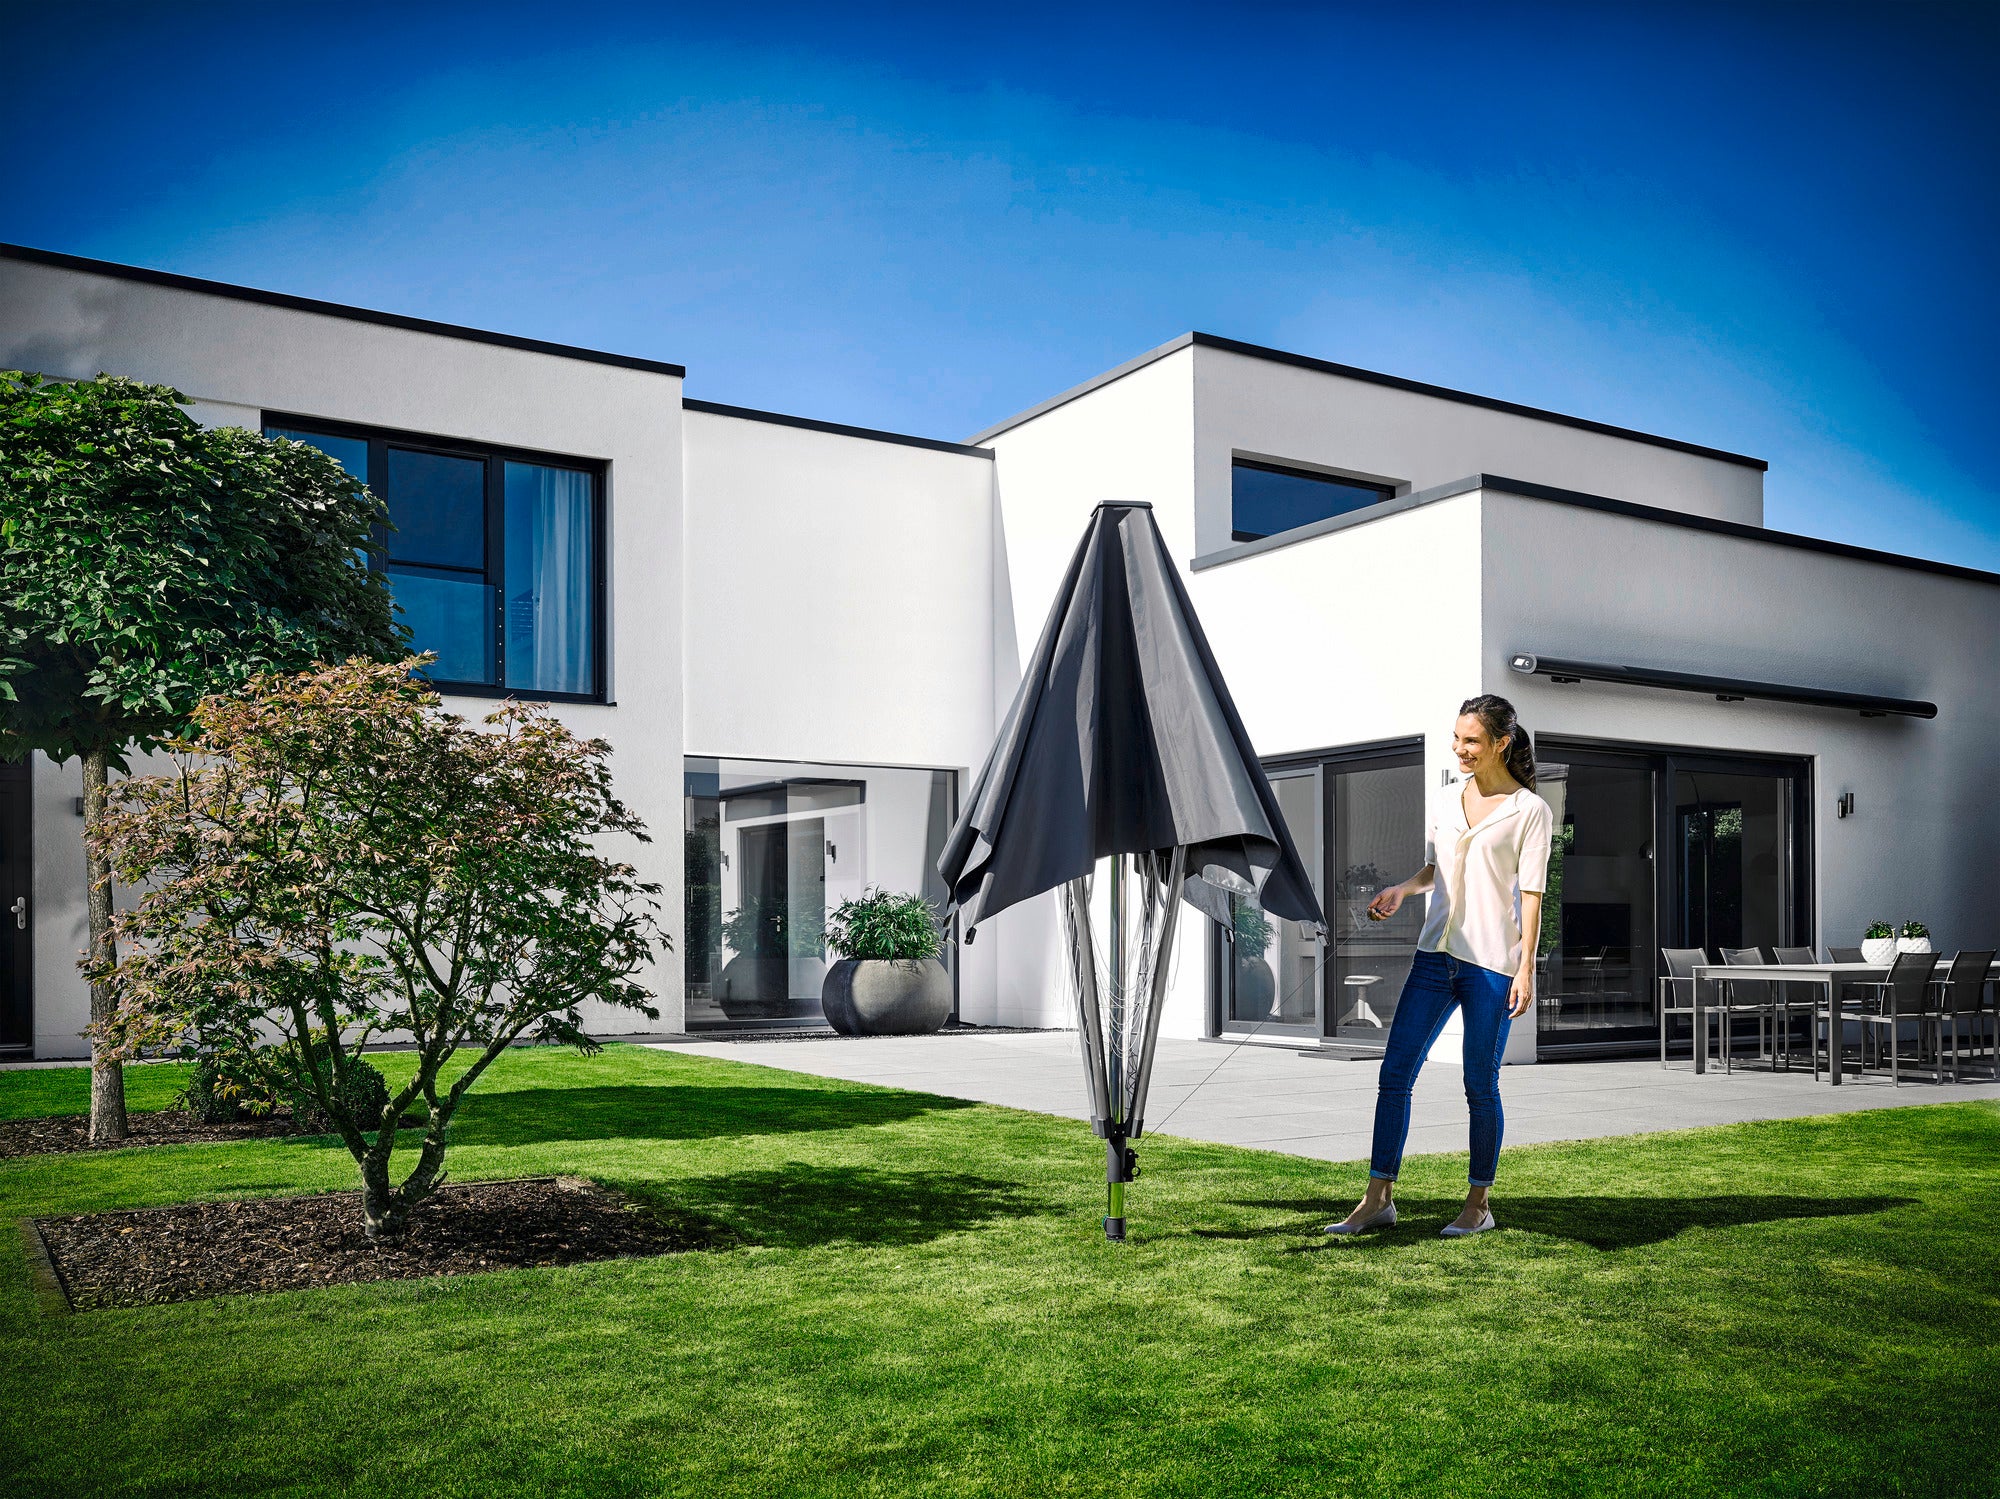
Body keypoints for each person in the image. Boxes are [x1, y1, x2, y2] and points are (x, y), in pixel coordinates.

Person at [1326, 695, 1553, 1239]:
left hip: (1490, 965)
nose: (1460, 748)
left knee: (1479, 1083)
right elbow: (1437, 869)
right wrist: (1403, 890)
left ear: (1501, 743)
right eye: (1457, 737)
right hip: (1434, 956)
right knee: (1395, 1074)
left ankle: (1478, 1204)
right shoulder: (1448, 798)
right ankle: (1377, 1199)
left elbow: (1532, 896)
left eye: (1471, 740)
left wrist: (1525, 969)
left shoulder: (1530, 811)